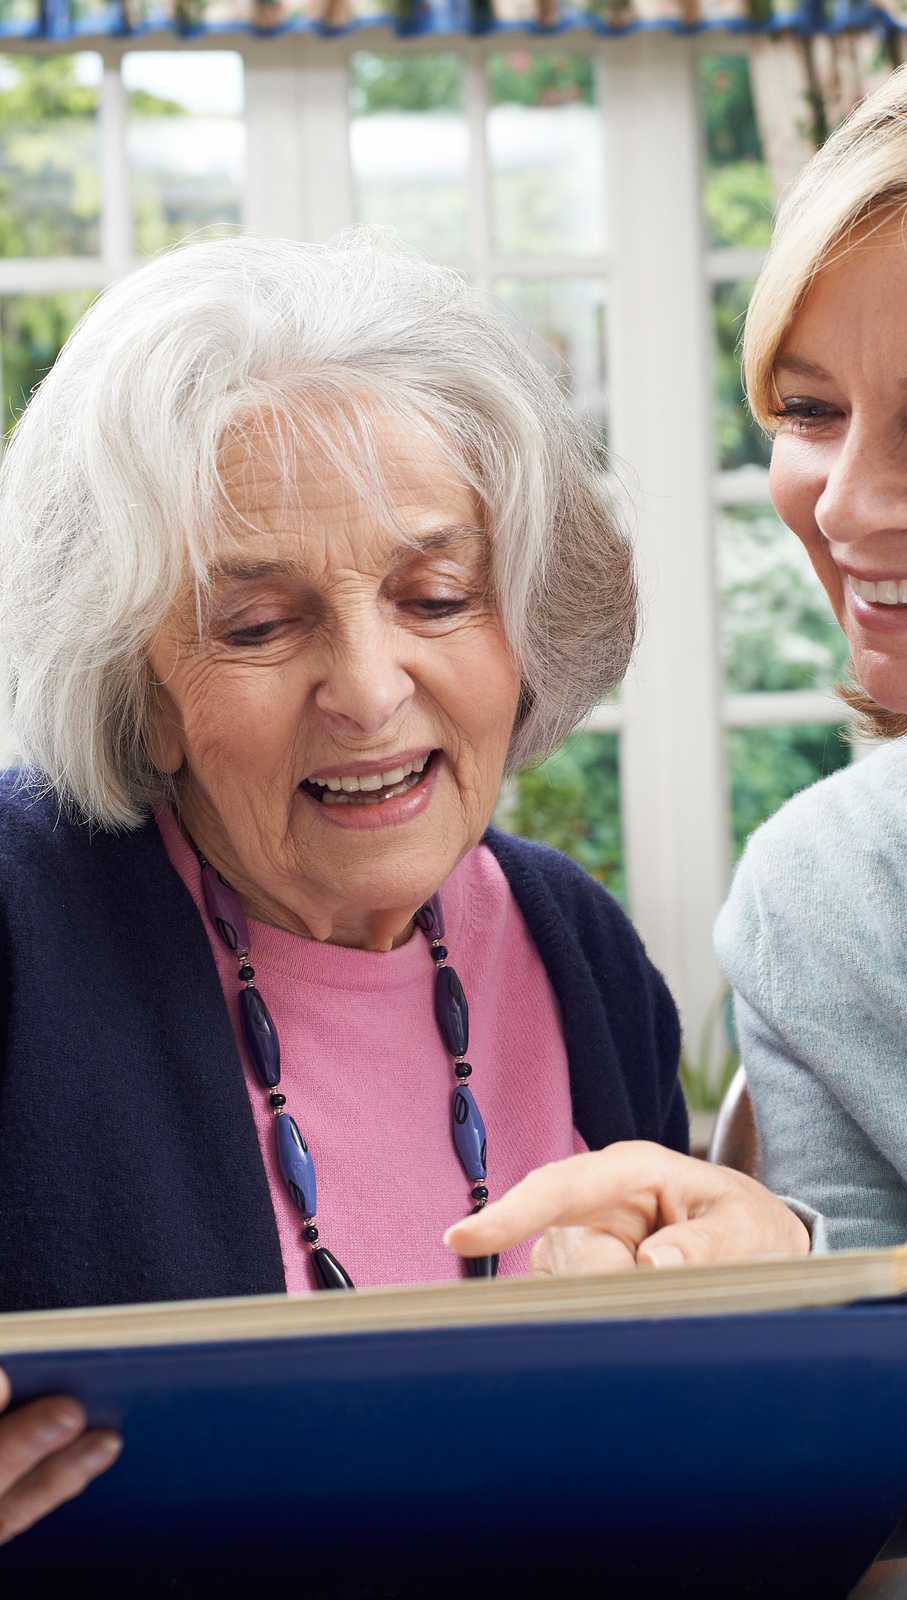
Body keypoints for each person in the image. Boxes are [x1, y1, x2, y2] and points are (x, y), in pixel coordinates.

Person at [448, 16, 907, 1272]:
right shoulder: (824, 908)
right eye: (808, 410)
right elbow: (886, 1341)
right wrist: (778, 1268)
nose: (845, 505)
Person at [0, 232, 685, 1541]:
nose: (369, 691)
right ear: (138, 687)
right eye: (259, 625)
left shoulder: (580, 952)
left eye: (437, 597)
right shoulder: (19, 926)